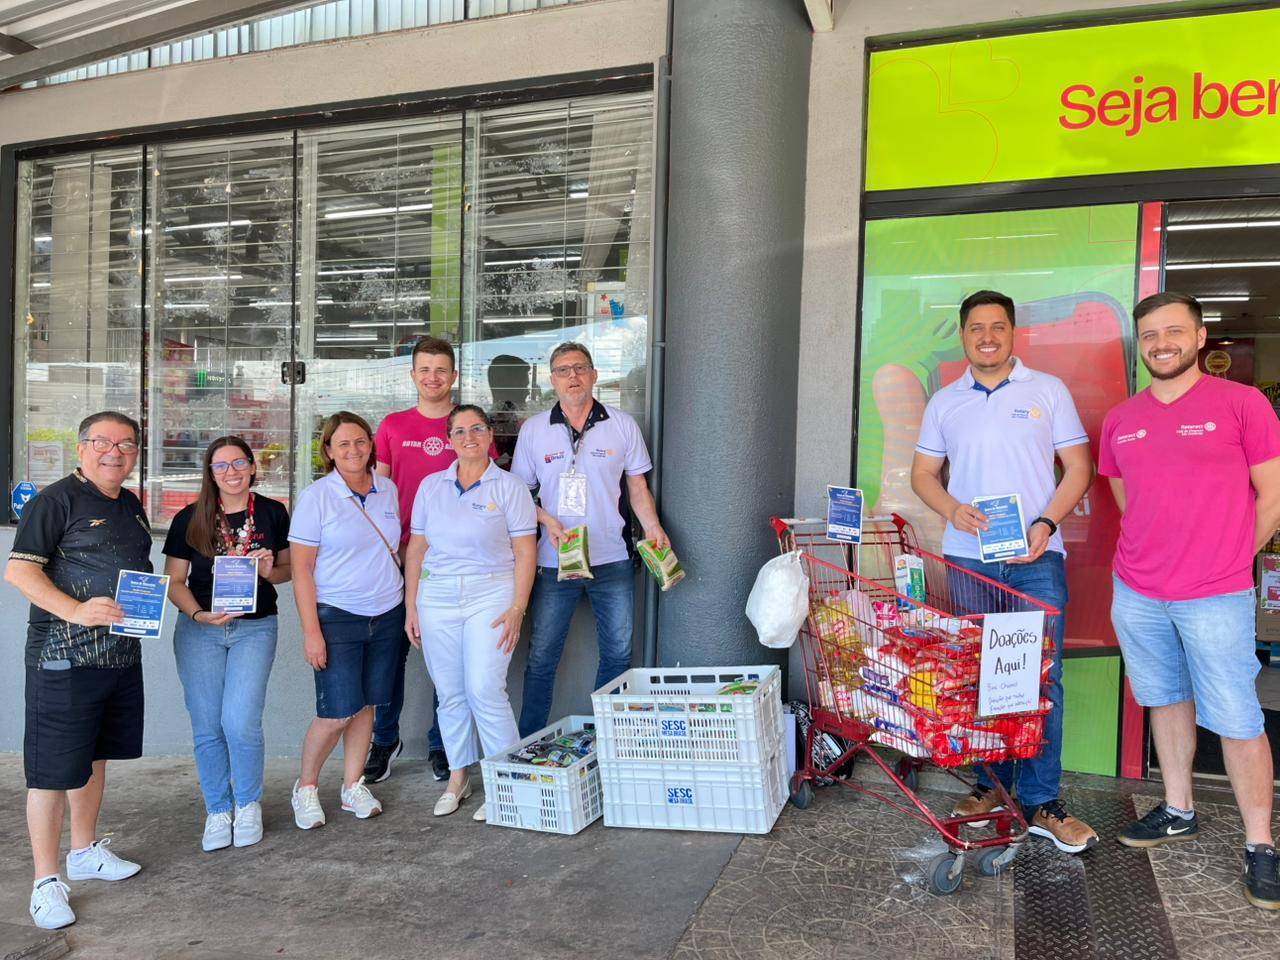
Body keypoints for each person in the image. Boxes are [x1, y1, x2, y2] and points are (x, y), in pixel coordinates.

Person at [1101, 291, 1280, 910]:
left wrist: (1228, 560)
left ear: (1200, 337)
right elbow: (1131, 501)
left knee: (1235, 715)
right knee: (1164, 698)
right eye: (1149, 335)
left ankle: (1260, 845)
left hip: (1216, 595)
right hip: (1139, 590)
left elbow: (1273, 496)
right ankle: (1179, 810)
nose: (1161, 344)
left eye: (1173, 331)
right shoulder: (1122, 419)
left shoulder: (1243, 404)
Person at [910, 289, 1099, 853]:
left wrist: (1044, 524)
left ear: (1013, 333)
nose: (986, 336)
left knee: (1041, 680)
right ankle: (992, 786)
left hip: (1038, 559)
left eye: (997, 326)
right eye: (975, 328)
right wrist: (952, 510)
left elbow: (1080, 469)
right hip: (970, 560)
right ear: (964, 336)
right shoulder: (945, 401)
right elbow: (923, 474)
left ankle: (1042, 801)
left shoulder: (1048, 391)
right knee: (979, 676)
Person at [5, 412, 150, 930]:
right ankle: (45, 881)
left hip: (116, 656)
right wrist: (74, 610)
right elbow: (19, 570)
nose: (115, 452)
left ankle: (84, 851)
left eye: (127, 444)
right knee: (50, 773)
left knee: (93, 759)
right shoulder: (55, 500)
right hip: (61, 658)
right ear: (82, 447)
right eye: (103, 442)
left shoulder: (129, 503)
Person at [512, 341, 669, 737]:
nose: (573, 377)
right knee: (542, 657)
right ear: (552, 380)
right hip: (553, 562)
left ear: (594, 375)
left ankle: (606, 741)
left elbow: (637, 488)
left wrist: (653, 529)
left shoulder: (621, 425)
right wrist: (547, 519)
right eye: (563, 370)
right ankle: (529, 741)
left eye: (580, 368)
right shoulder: (533, 431)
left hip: (611, 558)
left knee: (617, 653)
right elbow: (517, 497)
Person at [368, 336, 497, 784]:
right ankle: (384, 740)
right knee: (391, 654)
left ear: (454, 376)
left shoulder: (468, 427)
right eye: (425, 369)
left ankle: (446, 745)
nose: (433, 377)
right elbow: (377, 493)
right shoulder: (392, 426)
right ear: (412, 375)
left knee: (452, 662)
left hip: (457, 568)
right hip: (399, 559)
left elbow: (496, 487)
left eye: (441, 369)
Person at [404, 405, 537, 820]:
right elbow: (417, 549)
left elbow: (524, 550)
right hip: (437, 597)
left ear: (489, 436)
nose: (469, 437)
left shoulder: (510, 487)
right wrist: (412, 605)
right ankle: (458, 778)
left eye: (477, 428)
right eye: (459, 431)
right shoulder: (431, 486)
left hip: (491, 593)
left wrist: (518, 607)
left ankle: (506, 785)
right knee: (451, 693)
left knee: (484, 688)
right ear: (449, 440)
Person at [162, 437, 292, 852]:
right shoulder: (189, 518)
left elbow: (289, 570)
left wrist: (271, 571)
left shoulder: (273, 512)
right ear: (210, 473)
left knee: (240, 722)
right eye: (221, 466)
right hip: (200, 630)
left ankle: (248, 803)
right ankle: (218, 809)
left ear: (253, 468)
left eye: (239, 463)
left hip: (255, 628)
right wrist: (199, 615)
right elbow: (174, 583)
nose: (231, 472)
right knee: (207, 725)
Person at [287, 412, 405, 828]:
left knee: (367, 706)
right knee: (337, 711)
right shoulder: (317, 497)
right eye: (343, 444)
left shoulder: (387, 490)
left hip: (387, 613)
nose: (353, 450)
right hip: (337, 616)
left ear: (371, 445)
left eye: (360, 442)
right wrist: (311, 632)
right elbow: (301, 569)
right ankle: (306, 788)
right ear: (328, 451)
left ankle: (353, 785)